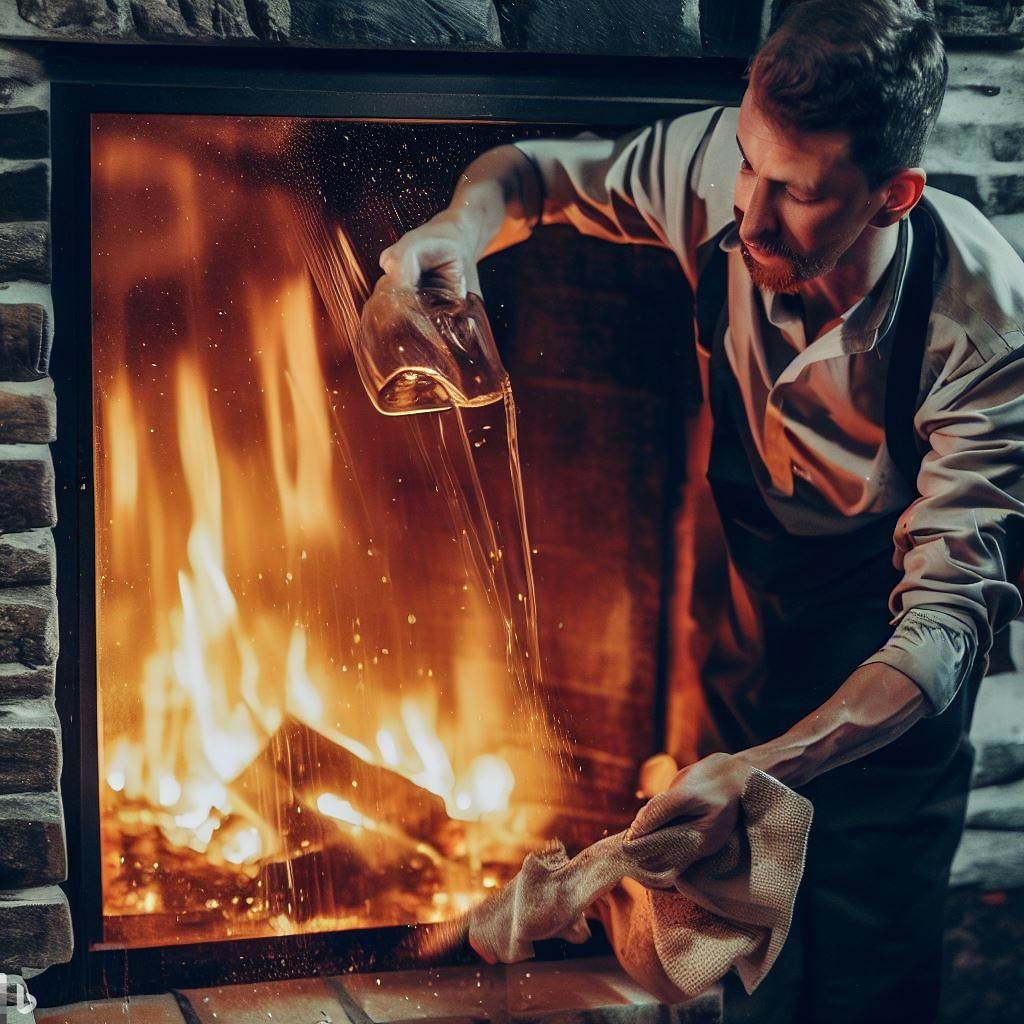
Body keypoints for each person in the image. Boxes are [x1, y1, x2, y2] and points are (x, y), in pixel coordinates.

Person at [376, 2, 1024, 1021]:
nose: (751, 215)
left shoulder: (980, 327)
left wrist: (765, 769)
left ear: (894, 195)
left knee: (865, 993)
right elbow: (534, 177)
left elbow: (944, 631)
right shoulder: (720, 170)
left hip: (883, 737)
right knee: (733, 993)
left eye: (799, 193)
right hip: (747, 666)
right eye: (749, 164)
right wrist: (454, 231)